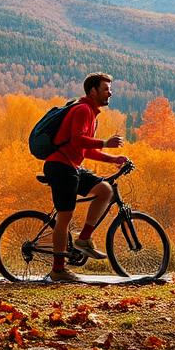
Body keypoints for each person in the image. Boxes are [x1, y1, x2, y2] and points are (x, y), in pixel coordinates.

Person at [44, 72, 130, 283]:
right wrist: (104, 143)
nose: (110, 93)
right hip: (60, 166)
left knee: (105, 190)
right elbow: (78, 139)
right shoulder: (83, 110)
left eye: (110, 89)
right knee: (64, 218)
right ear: (93, 91)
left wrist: (113, 159)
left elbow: (84, 150)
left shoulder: (91, 113)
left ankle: (83, 239)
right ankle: (58, 270)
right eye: (106, 89)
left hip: (72, 166)